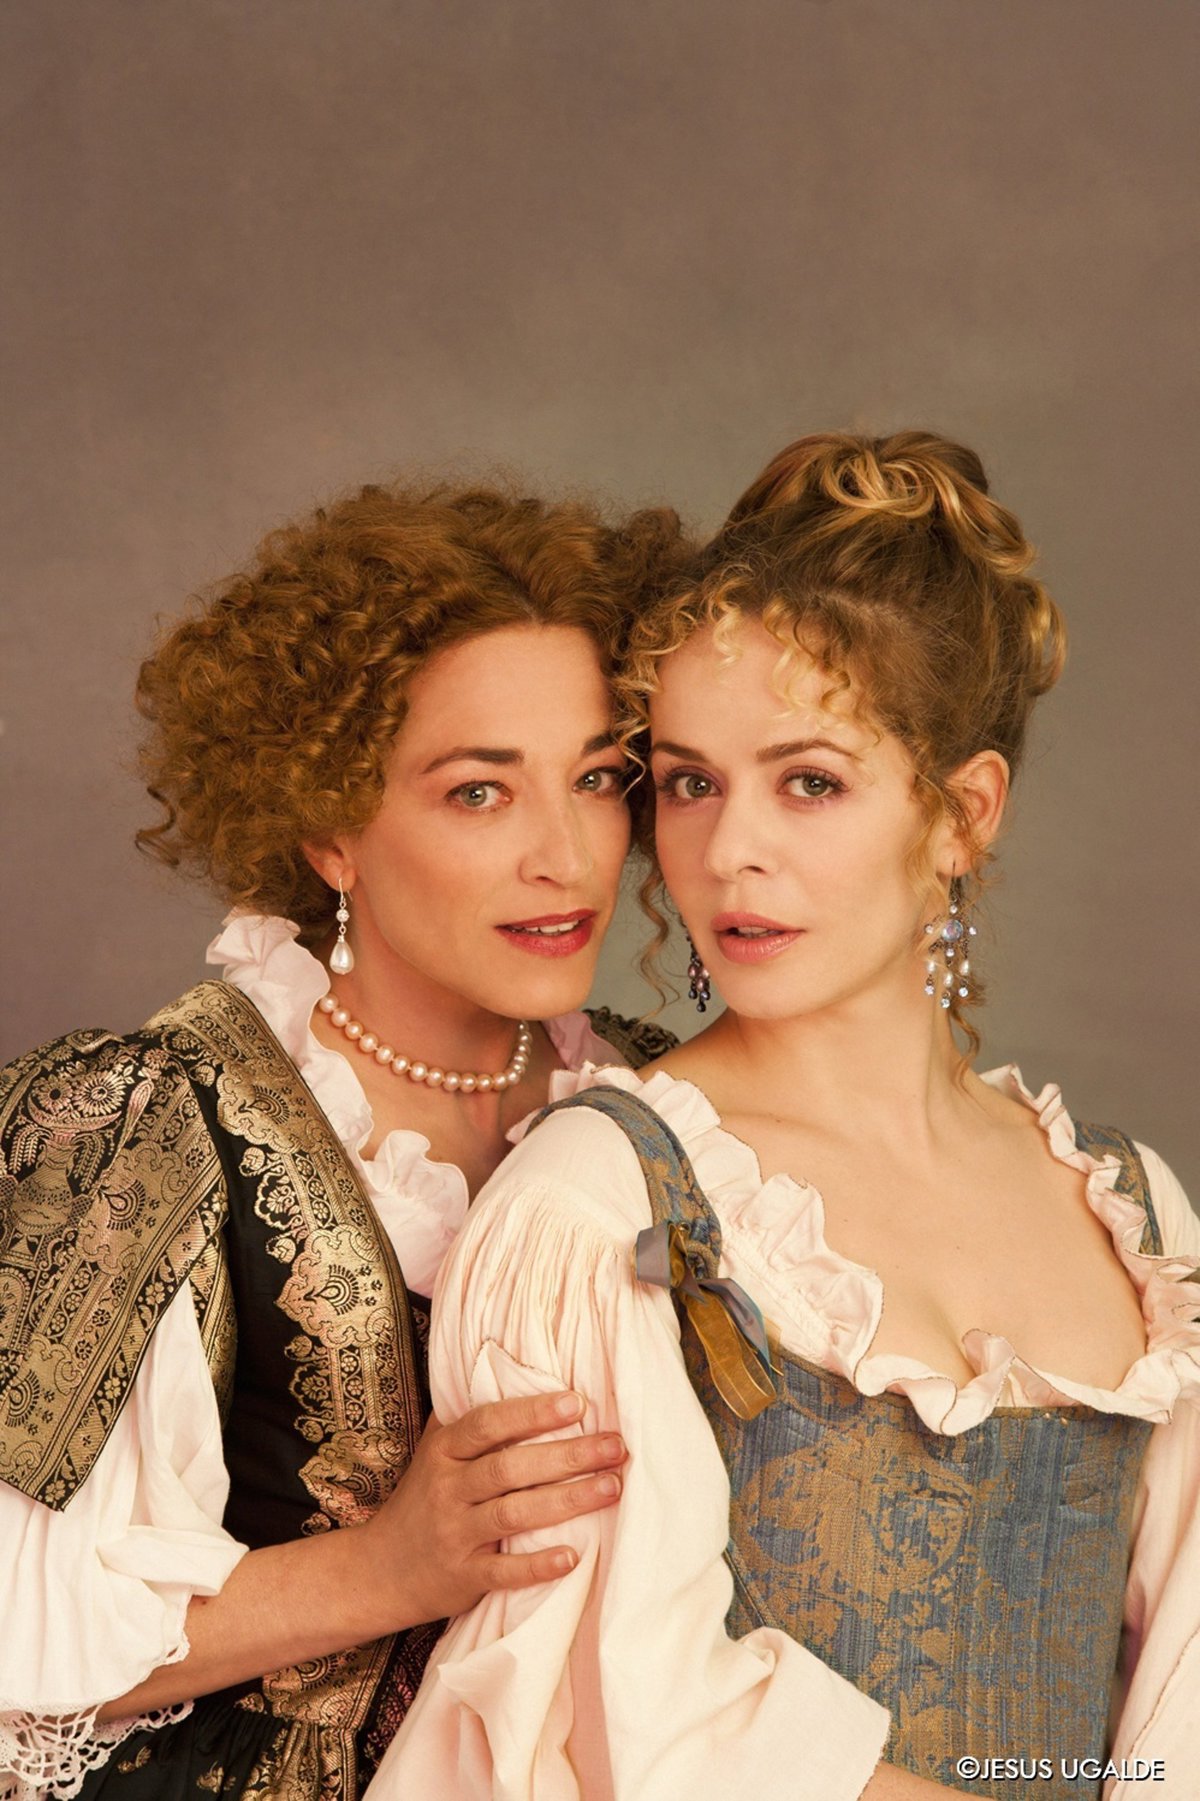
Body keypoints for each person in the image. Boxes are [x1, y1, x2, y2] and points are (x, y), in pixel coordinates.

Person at [369, 434, 1200, 1800]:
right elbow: (635, 1726)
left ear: (961, 814)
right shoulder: (599, 1202)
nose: (728, 849)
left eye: (808, 781)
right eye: (690, 781)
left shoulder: (1137, 1213)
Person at [0, 477, 686, 1799]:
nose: (565, 854)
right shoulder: (146, 1119)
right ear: (329, 828)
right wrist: (386, 1569)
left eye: (600, 778)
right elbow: (19, 1637)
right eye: (480, 792)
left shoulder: (666, 1103)